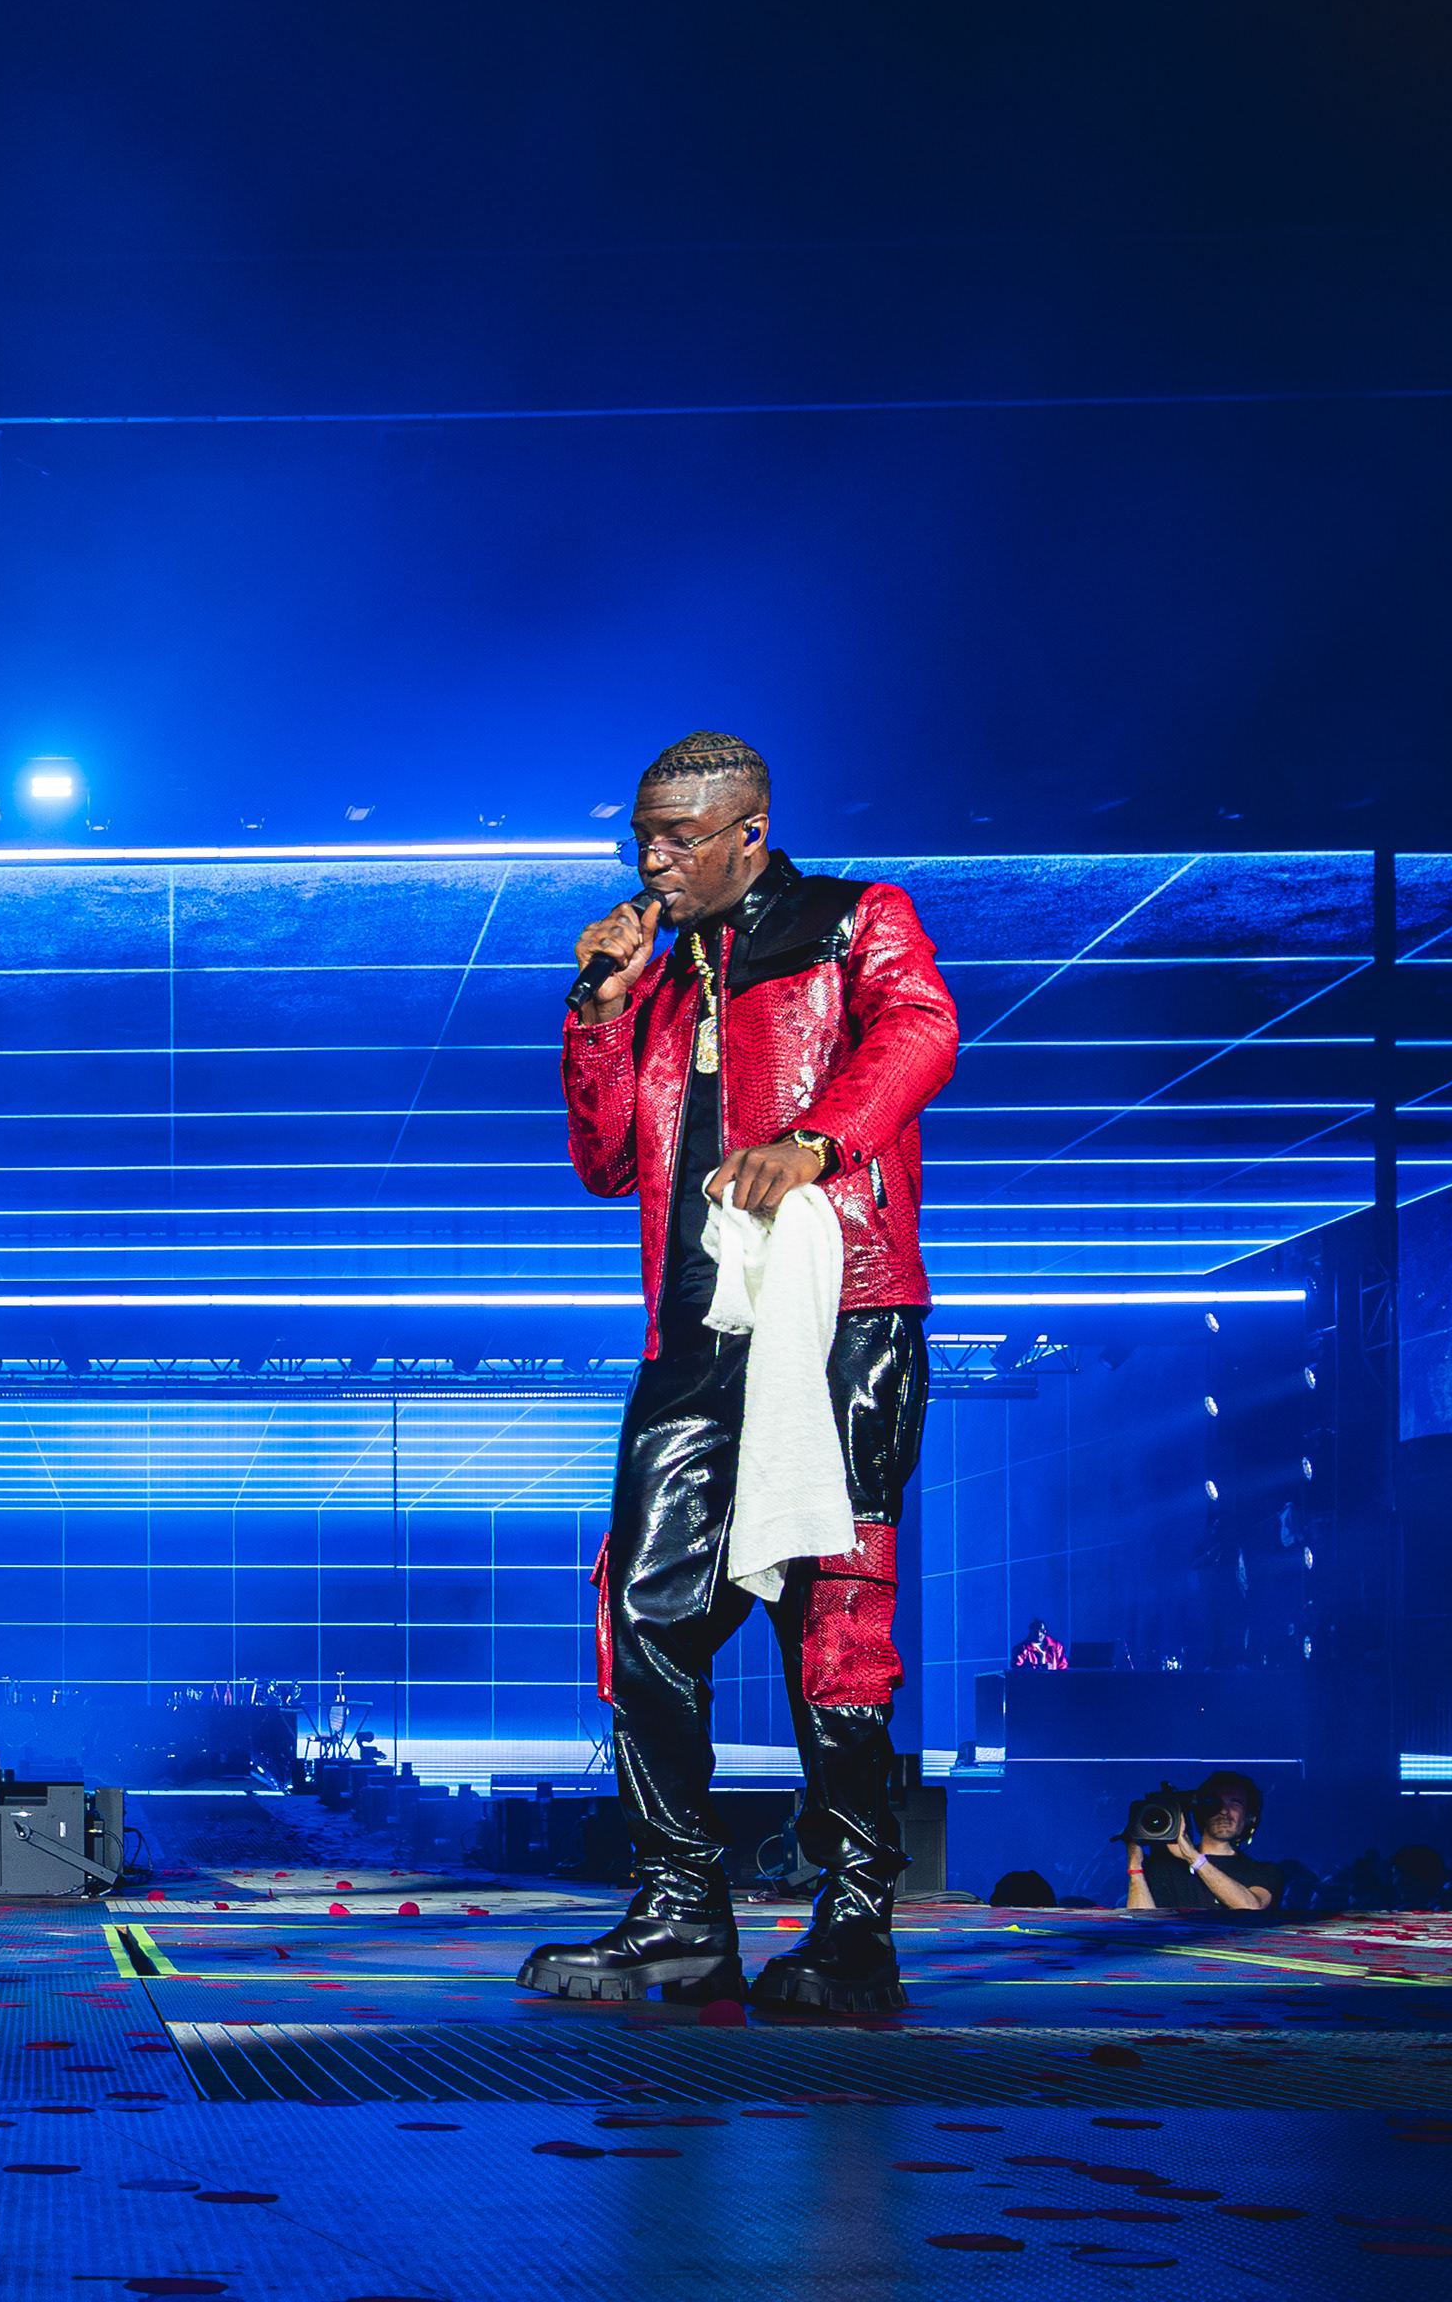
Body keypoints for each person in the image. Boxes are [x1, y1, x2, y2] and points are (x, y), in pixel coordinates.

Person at [521, 730, 959, 2016]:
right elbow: (607, 1162)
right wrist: (601, 1008)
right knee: (644, 1608)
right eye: (643, 839)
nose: (654, 861)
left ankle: (857, 1919)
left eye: (681, 837)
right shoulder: (658, 978)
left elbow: (922, 1029)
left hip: (841, 1317)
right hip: (693, 1334)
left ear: (750, 832)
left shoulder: (854, 920)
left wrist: (816, 1139)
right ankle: (680, 1910)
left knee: (834, 1618)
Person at [1123, 1770, 1279, 1913]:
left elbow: (1252, 1907)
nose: (1224, 1811)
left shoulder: (1264, 1872)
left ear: (1249, 1817)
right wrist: (1135, 1864)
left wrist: (1192, 1857)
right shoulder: (1166, 1868)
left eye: (1234, 1803)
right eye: (1215, 1803)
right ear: (1202, 1811)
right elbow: (1140, 1924)